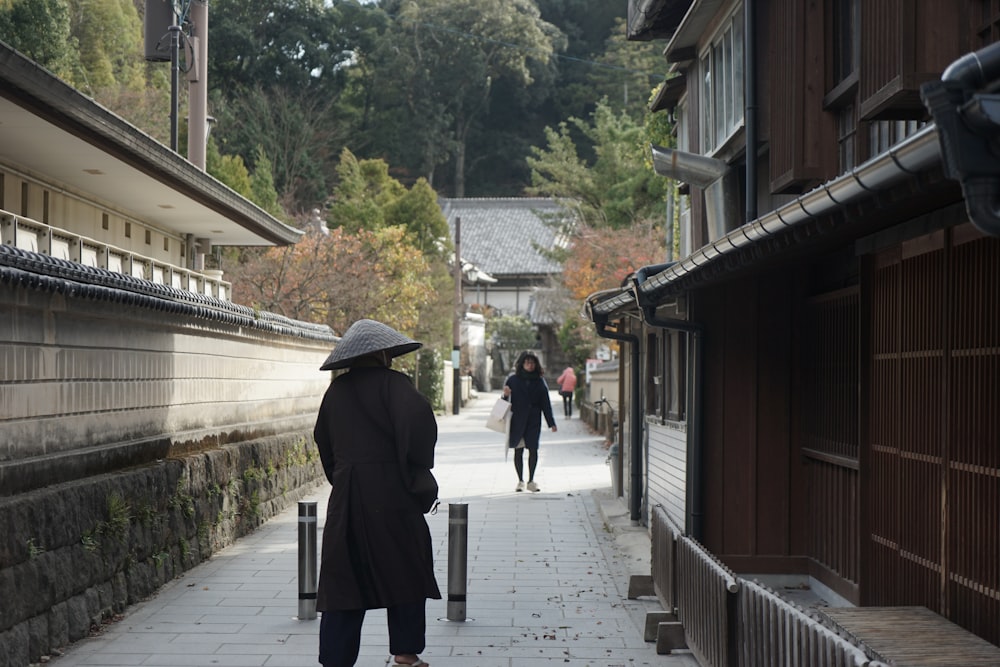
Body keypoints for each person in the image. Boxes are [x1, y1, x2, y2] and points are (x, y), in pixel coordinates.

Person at [313, 319, 441, 667]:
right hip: (393, 492)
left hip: (349, 496)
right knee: (406, 570)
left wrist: (344, 478)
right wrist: (411, 470)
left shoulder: (336, 392)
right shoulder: (397, 386)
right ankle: (405, 652)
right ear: (384, 353)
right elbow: (419, 431)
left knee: (343, 580)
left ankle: (336, 660)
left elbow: (325, 443)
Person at [502, 352, 557, 492]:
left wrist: (551, 423)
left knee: (533, 449)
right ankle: (520, 480)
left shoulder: (540, 381)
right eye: (527, 363)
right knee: (518, 450)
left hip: (533, 420)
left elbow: (546, 403)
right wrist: (505, 395)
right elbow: (504, 401)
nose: (530, 365)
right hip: (518, 420)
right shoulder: (513, 380)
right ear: (522, 364)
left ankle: (531, 481)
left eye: (532, 363)